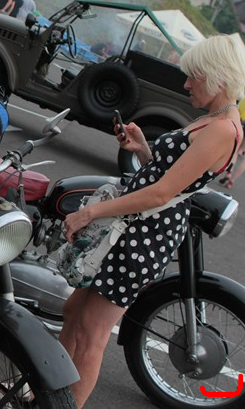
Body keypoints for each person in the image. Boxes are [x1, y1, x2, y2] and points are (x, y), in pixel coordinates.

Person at [59, 34, 245, 408]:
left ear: (219, 77)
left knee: (92, 333)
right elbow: (173, 179)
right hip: (139, 227)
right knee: (73, 312)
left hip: (145, 234)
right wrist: (143, 148)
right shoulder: (214, 119)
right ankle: (43, 386)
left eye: (194, 76)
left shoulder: (223, 129)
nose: (187, 84)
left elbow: (162, 194)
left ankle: (63, 403)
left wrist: (89, 212)